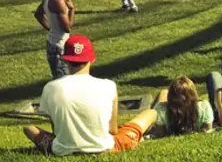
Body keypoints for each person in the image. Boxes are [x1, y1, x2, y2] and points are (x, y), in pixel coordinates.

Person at [24, 34, 157, 155]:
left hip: (62, 149)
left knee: (28, 128)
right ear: (92, 59)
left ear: (66, 60)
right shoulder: (109, 85)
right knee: (151, 113)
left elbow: (56, 130)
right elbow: (113, 131)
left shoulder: (50, 87)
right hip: (105, 147)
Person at [35, 0, 75, 79]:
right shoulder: (58, 2)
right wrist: (72, 10)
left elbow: (38, 14)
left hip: (52, 43)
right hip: (59, 47)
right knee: (64, 82)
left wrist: (51, 28)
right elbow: (67, 28)